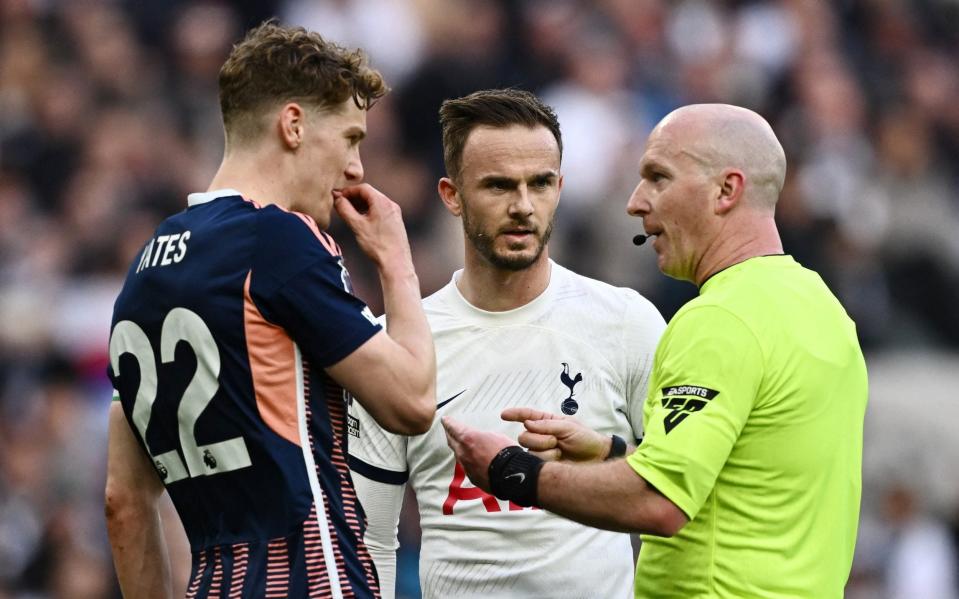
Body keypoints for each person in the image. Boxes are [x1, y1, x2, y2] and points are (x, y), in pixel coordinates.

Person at [444, 103, 869, 598]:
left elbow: (659, 503)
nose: (636, 201)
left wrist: (512, 471)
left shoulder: (720, 320)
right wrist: (611, 451)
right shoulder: (821, 307)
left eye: (658, 177)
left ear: (726, 190)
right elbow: (745, 475)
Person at [104, 22, 436, 599]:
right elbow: (411, 401)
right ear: (293, 125)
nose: (357, 167)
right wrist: (396, 263)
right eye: (351, 137)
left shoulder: (140, 277)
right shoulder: (276, 239)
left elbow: (124, 501)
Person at [347, 88, 665, 599]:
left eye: (539, 184)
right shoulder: (397, 342)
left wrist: (607, 456)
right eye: (498, 186)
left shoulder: (626, 322)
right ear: (451, 195)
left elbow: (678, 492)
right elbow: (370, 539)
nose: (522, 206)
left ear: (560, 187)